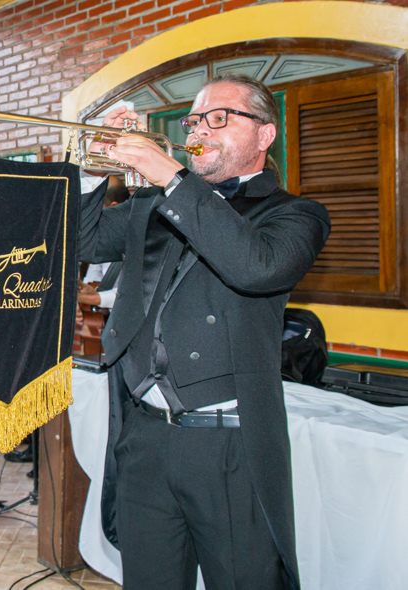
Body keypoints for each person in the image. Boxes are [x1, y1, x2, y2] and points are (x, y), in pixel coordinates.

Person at [78, 73, 331, 590]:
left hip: (230, 449)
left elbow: (255, 267)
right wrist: (93, 168)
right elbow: (81, 240)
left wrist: (172, 179)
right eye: (194, 121)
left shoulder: (297, 214)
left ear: (265, 134)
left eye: (219, 118)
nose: (199, 131)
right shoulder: (153, 205)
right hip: (145, 436)